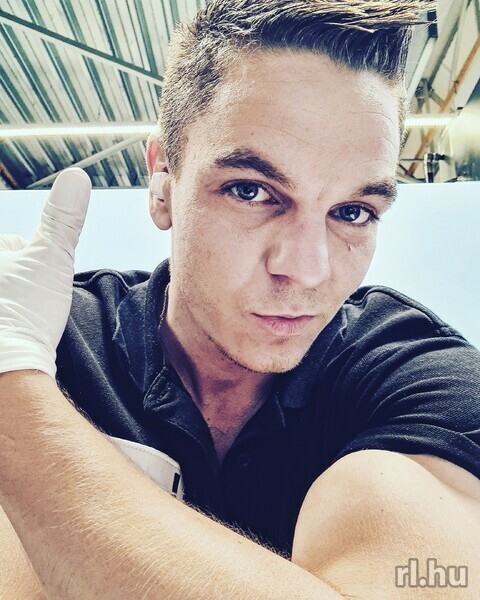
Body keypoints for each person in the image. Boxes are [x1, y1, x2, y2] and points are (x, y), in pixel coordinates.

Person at [0, 0, 479, 597]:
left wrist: (14, 401)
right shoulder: (51, 334)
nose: (306, 270)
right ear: (163, 183)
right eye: (251, 191)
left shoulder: (417, 374)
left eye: (353, 212)